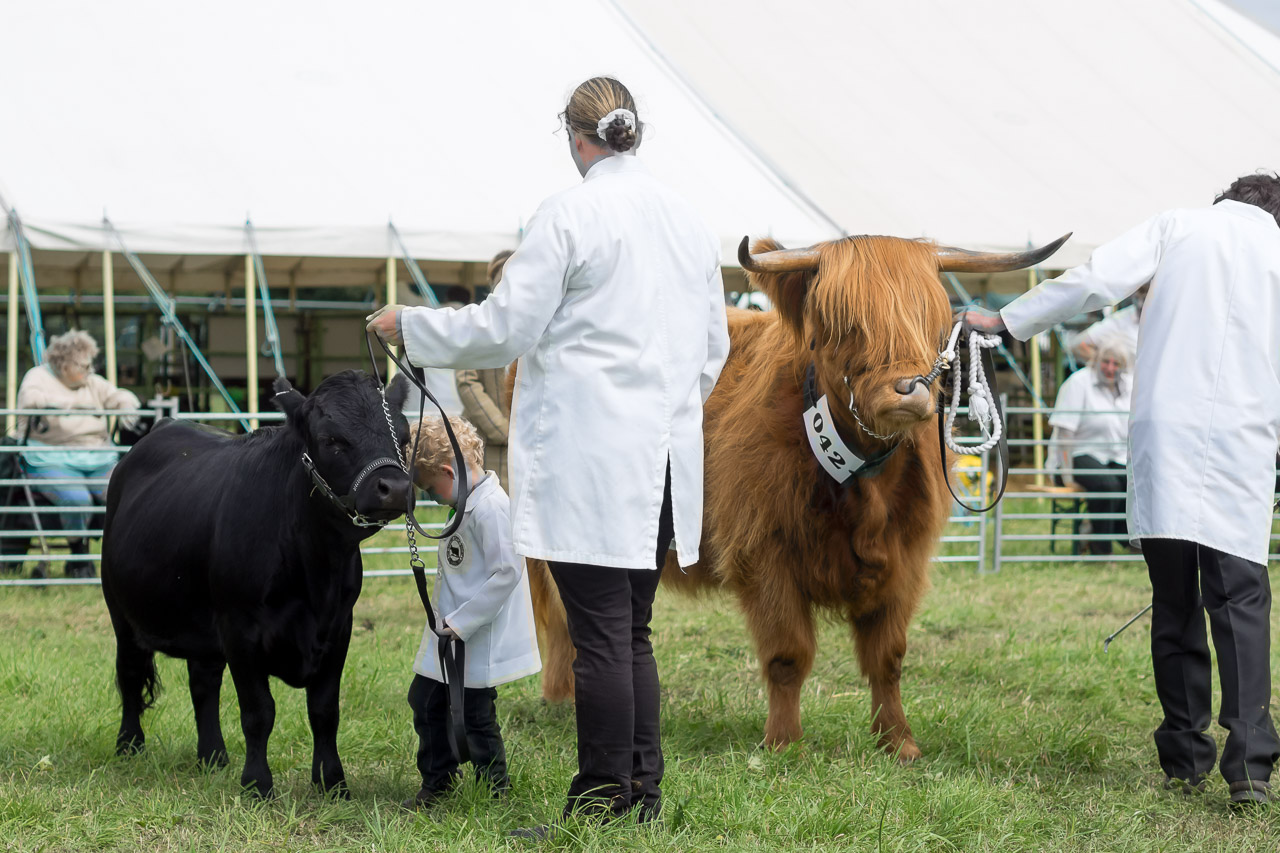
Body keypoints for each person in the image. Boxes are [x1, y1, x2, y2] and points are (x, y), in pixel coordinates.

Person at [368, 76, 730, 833]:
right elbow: (713, 349)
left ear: (575, 137)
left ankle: (600, 802)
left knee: (599, 634)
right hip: (662, 457)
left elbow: (506, 326)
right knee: (630, 630)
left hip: (593, 458)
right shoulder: (689, 221)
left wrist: (415, 324)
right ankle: (640, 794)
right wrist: (661, 412)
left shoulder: (570, 212)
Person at [961, 172, 1280, 809]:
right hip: (1246, 437)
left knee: (1175, 599)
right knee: (1239, 602)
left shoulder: (1178, 226)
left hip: (1166, 431)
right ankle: (1250, 767)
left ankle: (1185, 756)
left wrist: (1006, 319)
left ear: (1225, 201)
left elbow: (1094, 280)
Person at [401, 415, 540, 809]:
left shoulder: (492, 508)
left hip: (473, 633)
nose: (431, 497)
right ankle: (438, 780)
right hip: (448, 632)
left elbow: (508, 570)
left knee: (477, 715)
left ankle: (494, 788)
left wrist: (461, 623)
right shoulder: (467, 502)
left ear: (448, 471)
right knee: (425, 700)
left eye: (430, 489)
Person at [10, 330, 140, 578]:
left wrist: (126, 403)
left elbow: (118, 394)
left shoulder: (91, 381)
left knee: (125, 491)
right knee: (75, 497)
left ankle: (123, 557)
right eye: (83, 365)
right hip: (49, 455)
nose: (89, 370)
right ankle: (78, 554)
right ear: (64, 364)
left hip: (98, 455)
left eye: (91, 364)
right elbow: (31, 399)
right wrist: (72, 405)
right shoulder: (38, 377)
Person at [1048, 342, 1132, 554]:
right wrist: (1067, 477)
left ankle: (1121, 538)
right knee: (1108, 485)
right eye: (1106, 362)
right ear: (1096, 361)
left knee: (1132, 484)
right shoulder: (1078, 383)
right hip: (1075, 455)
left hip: (1114, 457)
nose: (1110, 368)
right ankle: (1101, 549)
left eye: (1116, 363)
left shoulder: (1129, 386)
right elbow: (1064, 434)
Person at [455, 250, 515, 489]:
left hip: (527, 443)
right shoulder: (479, 322)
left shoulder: (541, 323)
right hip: (484, 443)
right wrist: (501, 428)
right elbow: (467, 381)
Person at [1067, 283, 1148, 363]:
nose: (1140, 303)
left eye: (1145, 298)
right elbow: (1078, 345)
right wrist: (1106, 365)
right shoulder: (1121, 321)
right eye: (1137, 298)